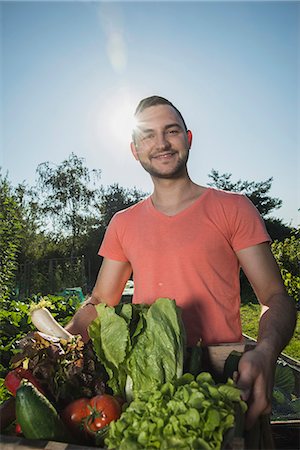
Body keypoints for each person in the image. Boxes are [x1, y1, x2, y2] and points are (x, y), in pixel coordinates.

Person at [66, 95, 296, 430]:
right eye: (148, 135)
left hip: (225, 383)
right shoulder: (123, 223)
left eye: (171, 131)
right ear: (135, 150)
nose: (161, 143)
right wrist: (67, 336)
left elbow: (275, 297)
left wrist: (265, 351)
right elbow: (101, 300)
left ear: (188, 138)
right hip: (148, 388)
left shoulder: (234, 208)